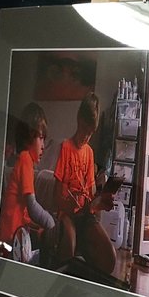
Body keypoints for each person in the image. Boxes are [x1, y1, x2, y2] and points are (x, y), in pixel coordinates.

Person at [53, 92, 116, 273]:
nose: (86, 137)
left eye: (90, 133)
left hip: (85, 216)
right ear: (78, 120)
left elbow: (90, 198)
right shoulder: (66, 147)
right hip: (67, 214)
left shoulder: (89, 153)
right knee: (69, 244)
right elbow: (57, 197)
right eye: (84, 130)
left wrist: (100, 203)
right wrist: (68, 204)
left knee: (110, 258)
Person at [0, 103, 55, 264]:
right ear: (29, 137)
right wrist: (50, 223)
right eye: (41, 138)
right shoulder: (25, 160)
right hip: (10, 238)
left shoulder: (25, 161)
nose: (43, 146)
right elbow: (31, 205)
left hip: (15, 234)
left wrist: (37, 225)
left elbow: (25, 210)